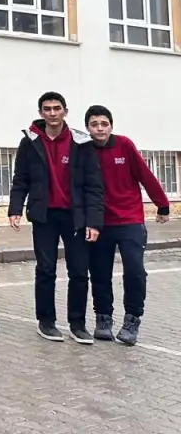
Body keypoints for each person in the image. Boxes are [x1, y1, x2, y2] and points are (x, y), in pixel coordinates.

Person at [8, 91, 104, 344]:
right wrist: (15, 208)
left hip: (75, 217)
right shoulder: (30, 141)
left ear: (65, 112)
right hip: (44, 216)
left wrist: (94, 222)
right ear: (40, 113)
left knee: (79, 272)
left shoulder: (81, 142)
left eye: (57, 108)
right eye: (47, 109)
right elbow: (21, 178)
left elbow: (94, 186)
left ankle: (77, 324)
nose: (52, 113)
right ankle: (46, 322)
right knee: (46, 270)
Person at [84, 104, 170, 346]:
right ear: (87, 128)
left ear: (111, 126)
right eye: (94, 124)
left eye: (104, 124)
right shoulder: (84, 150)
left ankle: (132, 319)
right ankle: (103, 319)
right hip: (99, 223)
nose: (100, 128)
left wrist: (162, 204)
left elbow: (145, 175)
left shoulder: (124, 145)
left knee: (134, 271)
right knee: (100, 273)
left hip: (129, 220)